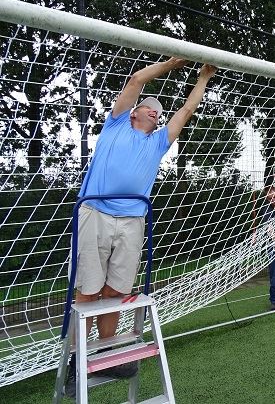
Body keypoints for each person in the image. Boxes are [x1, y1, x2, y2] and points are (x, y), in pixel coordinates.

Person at [65, 57, 217, 396]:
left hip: (133, 220)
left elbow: (187, 111)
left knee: (116, 293)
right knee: (88, 292)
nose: (157, 112)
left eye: (160, 112)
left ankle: (107, 354)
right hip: (96, 211)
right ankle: (77, 360)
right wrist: (173, 61)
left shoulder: (158, 142)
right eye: (151, 107)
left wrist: (203, 78)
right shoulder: (116, 123)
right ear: (134, 112)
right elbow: (135, 80)